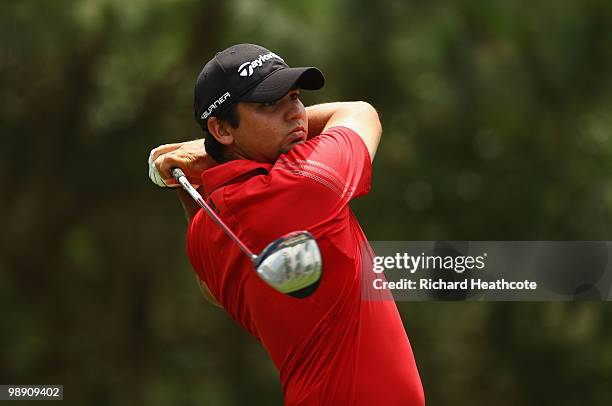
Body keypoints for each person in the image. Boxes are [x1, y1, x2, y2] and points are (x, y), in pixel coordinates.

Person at [149, 43, 424, 405]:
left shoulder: (202, 234)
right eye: (268, 104)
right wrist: (200, 151)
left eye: (294, 96)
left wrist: (196, 174)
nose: (296, 114)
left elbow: (212, 291)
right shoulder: (305, 180)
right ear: (221, 129)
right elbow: (359, 112)